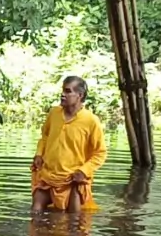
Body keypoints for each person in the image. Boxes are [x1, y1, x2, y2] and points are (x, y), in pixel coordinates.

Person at [31, 76, 108, 213]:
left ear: (80, 95)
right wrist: (39, 154)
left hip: (73, 179)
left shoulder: (91, 121)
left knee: (75, 223)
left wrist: (83, 171)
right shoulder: (54, 113)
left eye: (68, 91)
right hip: (48, 175)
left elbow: (100, 153)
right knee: (35, 213)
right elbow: (45, 137)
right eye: (63, 90)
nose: (62, 94)